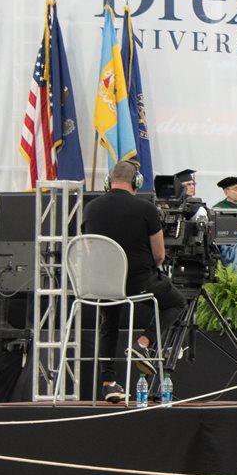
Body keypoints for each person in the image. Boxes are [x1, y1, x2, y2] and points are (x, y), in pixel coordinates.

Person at [82, 160, 186, 375]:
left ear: (108, 182)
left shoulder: (91, 208)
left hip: (104, 285)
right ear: (136, 181)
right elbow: (159, 255)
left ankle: (108, 382)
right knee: (176, 302)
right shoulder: (146, 209)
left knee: (108, 323)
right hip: (137, 284)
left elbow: (89, 250)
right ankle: (143, 342)